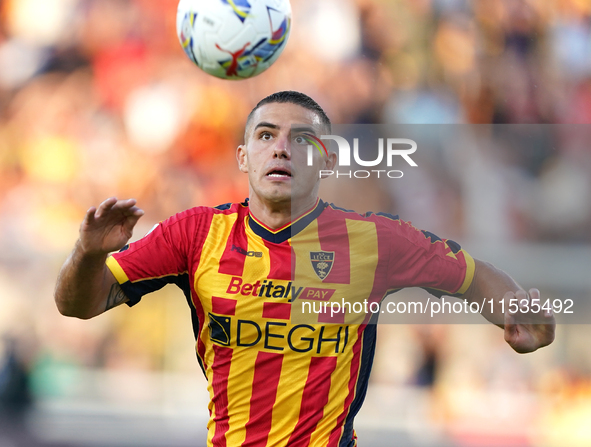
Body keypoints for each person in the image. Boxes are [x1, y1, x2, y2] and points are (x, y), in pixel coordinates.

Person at [54, 91, 555, 447]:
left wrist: (520, 316)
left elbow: (473, 275)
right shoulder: (196, 233)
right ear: (243, 156)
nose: (281, 148)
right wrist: (88, 253)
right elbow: (76, 305)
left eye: (300, 139)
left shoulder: (374, 240)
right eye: (266, 135)